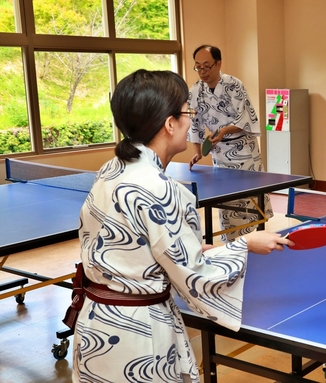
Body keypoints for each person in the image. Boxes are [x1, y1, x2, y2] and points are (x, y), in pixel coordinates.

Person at [64, 69, 292, 383]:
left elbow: (139, 247)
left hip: (96, 328)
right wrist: (244, 245)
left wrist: (192, 249)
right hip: (139, 336)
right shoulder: (166, 191)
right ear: (170, 124)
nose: (192, 121)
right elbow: (196, 277)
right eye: (188, 112)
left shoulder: (110, 169)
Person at [187, 44, 272, 242]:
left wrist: (223, 130)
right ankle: (231, 243)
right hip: (220, 152)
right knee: (227, 199)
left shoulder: (234, 85)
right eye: (198, 67)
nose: (202, 71)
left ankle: (259, 237)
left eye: (206, 66)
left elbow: (246, 119)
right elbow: (195, 123)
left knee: (252, 199)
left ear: (219, 64)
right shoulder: (195, 91)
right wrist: (198, 151)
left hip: (244, 150)